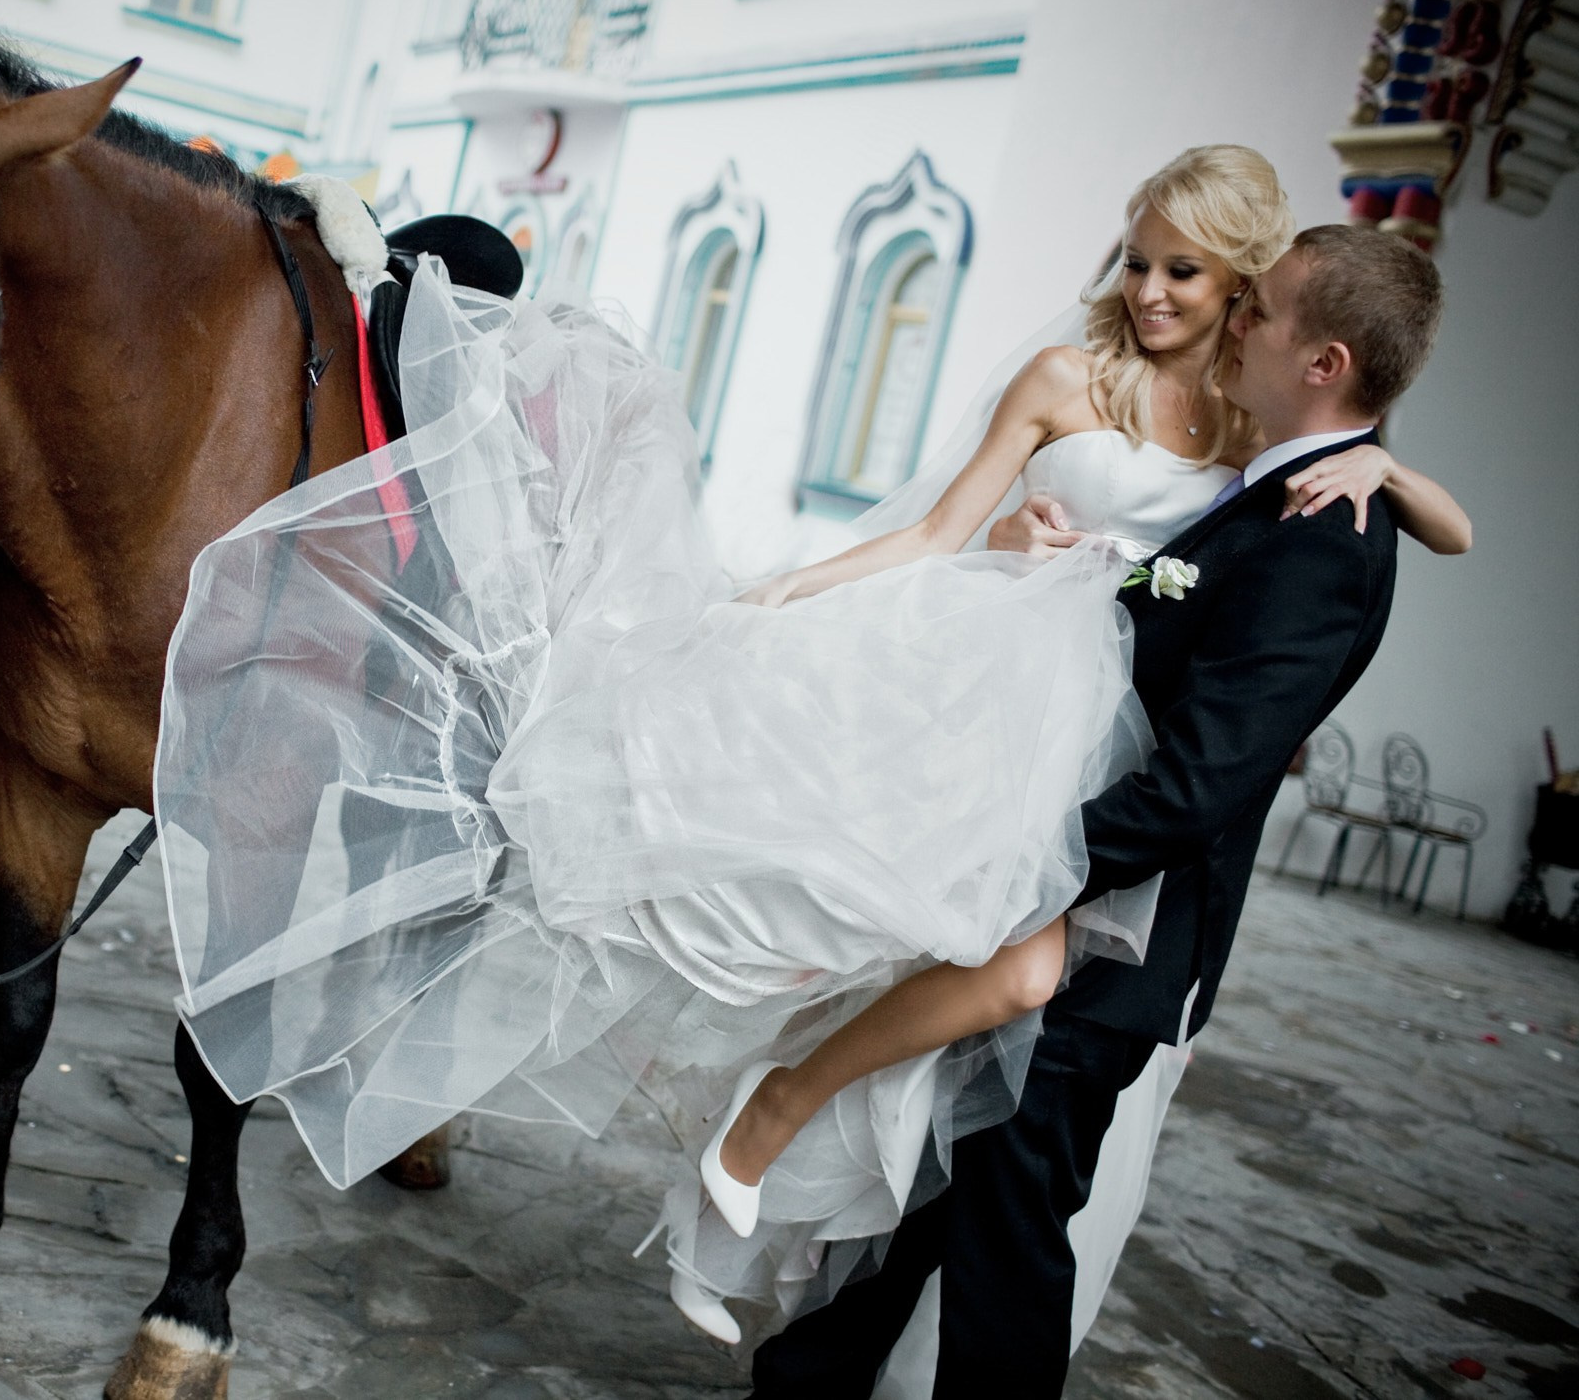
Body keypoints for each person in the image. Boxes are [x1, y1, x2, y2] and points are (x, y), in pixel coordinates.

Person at [148, 148, 1459, 1357]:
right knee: (852, 910)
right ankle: (767, 1145)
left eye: (1185, 268)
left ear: (1245, 292)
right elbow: (944, 528)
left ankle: (783, 1164)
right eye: (1136, 258)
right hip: (1010, 685)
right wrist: (784, 596)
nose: (1151, 287)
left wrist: (1388, 477)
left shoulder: (1257, 428)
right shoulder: (1075, 378)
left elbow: (1380, 514)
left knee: (1002, 987)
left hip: (1102, 746)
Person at [745, 220, 1445, 1395]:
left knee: (1008, 1236)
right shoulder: (1271, 495)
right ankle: (807, 1379)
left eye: (1259, 308)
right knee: (955, 1184)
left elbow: (1198, 786)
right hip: (1080, 923)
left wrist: (1009, 868)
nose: (1234, 319)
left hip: (1118, 943)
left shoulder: (1323, 538)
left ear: (1323, 363)